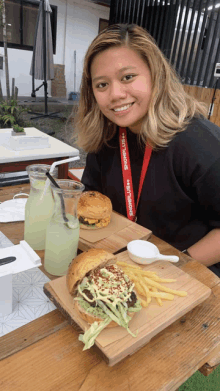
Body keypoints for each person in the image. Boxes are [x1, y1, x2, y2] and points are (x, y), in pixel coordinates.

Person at [74, 23, 220, 277]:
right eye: (102, 85)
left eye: (127, 77)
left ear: (156, 74)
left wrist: (175, 269)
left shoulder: (199, 144)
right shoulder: (106, 138)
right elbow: (91, 199)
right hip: (123, 264)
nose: (116, 94)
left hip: (189, 273)